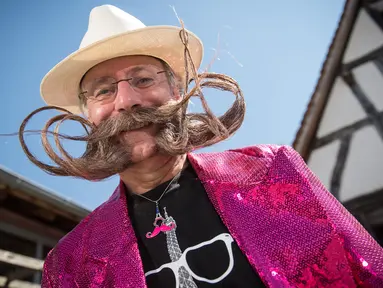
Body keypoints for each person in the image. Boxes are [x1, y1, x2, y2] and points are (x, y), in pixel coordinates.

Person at [18, 4, 383, 288]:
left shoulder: (272, 171)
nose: (127, 100)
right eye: (103, 90)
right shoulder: (70, 264)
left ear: (177, 93)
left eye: (143, 79)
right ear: (89, 114)